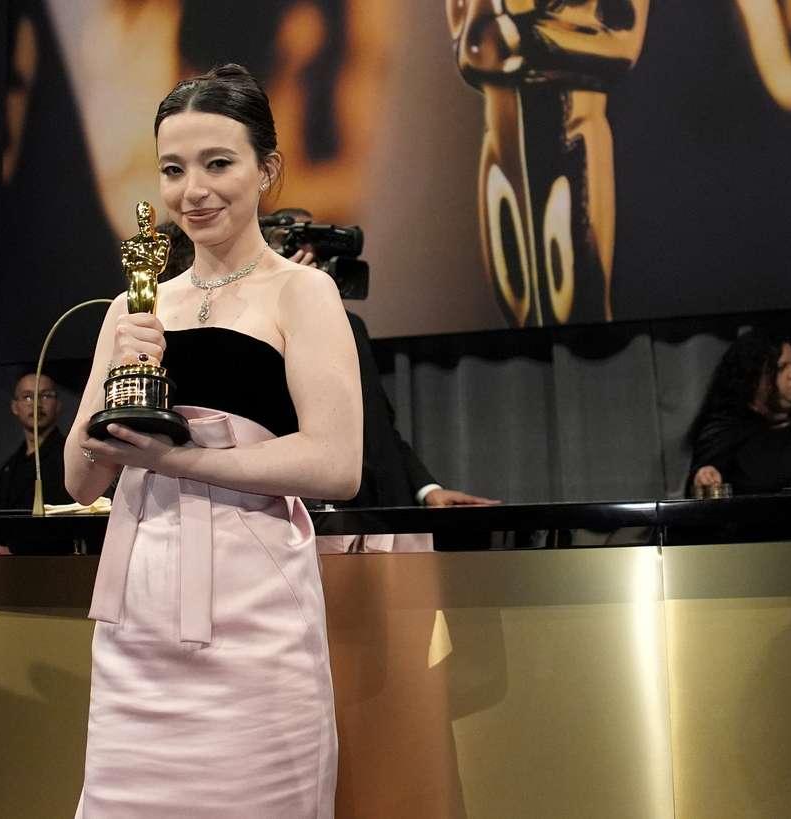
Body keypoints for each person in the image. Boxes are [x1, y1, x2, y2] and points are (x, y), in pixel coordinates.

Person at [64, 64, 361, 816]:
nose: (192, 190)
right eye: (173, 168)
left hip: (254, 610)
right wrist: (115, 376)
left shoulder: (303, 292)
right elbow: (79, 479)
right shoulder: (135, 305)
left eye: (217, 163)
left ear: (268, 169)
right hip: (138, 614)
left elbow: (336, 463)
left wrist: (178, 458)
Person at [261, 206, 498, 511]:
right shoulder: (254, 327)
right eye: (294, 241)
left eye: (314, 241)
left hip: (382, 516)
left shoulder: (352, 326)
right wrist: (279, 296)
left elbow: (377, 426)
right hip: (311, 517)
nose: (307, 250)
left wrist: (426, 489)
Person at [688, 329, 791, 496]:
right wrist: (705, 478)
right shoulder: (727, 434)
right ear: (753, 378)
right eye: (781, 368)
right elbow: (703, 502)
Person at [0, 371, 77, 555]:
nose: (37, 404)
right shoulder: (9, 468)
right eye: (27, 397)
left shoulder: (69, 457)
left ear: (58, 405)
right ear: (15, 406)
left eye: (45, 395)